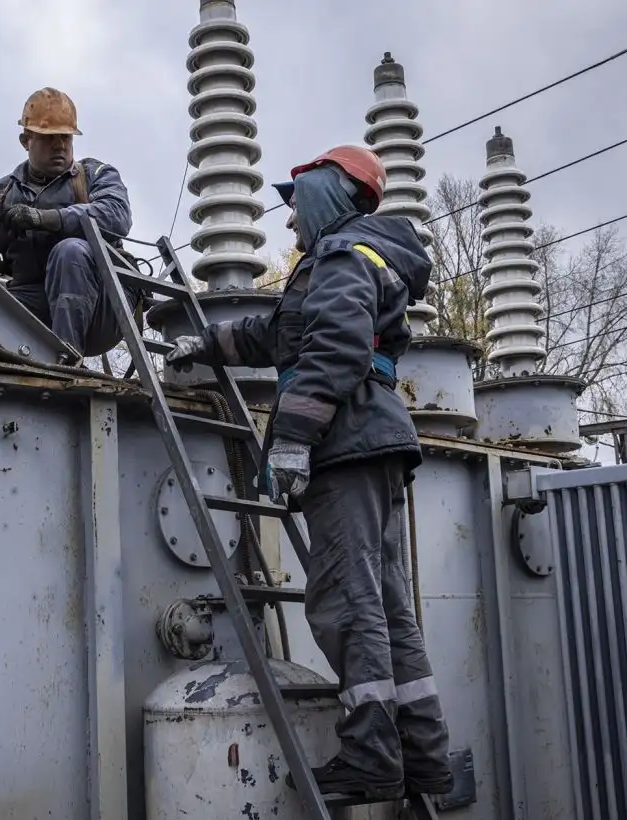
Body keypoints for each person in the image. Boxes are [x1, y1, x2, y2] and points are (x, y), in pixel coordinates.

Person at [163, 145, 453, 803]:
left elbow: (335, 349)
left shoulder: (342, 258)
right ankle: (423, 755)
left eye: (297, 207)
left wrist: (291, 440)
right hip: (372, 439)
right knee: (385, 605)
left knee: (346, 603)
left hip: (345, 442)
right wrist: (205, 345)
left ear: (331, 192)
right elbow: (279, 333)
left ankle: (373, 757)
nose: (290, 225)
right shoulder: (350, 261)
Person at [0, 87, 135, 358]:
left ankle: (66, 367)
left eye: (65, 137)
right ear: (26, 141)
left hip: (104, 306)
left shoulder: (94, 174)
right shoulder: (2, 195)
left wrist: (48, 218)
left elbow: (116, 215)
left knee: (69, 251)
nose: (60, 145)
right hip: (39, 303)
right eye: (50, 138)